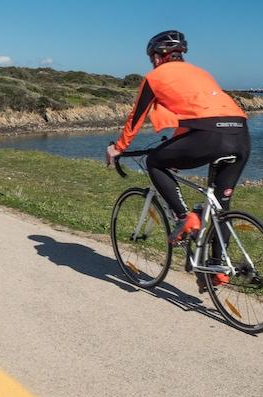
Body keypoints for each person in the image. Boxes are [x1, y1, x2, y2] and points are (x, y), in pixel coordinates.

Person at [106, 30, 251, 284]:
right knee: (220, 205)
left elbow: (136, 117)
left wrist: (118, 147)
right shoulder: (201, 73)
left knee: (155, 162)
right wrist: (176, 144)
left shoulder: (155, 76)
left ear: (159, 56)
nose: (151, 62)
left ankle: (184, 217)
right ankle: (217, 269)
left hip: (209, 135)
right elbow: (193, 116)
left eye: (152, 57)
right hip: (241, 134)